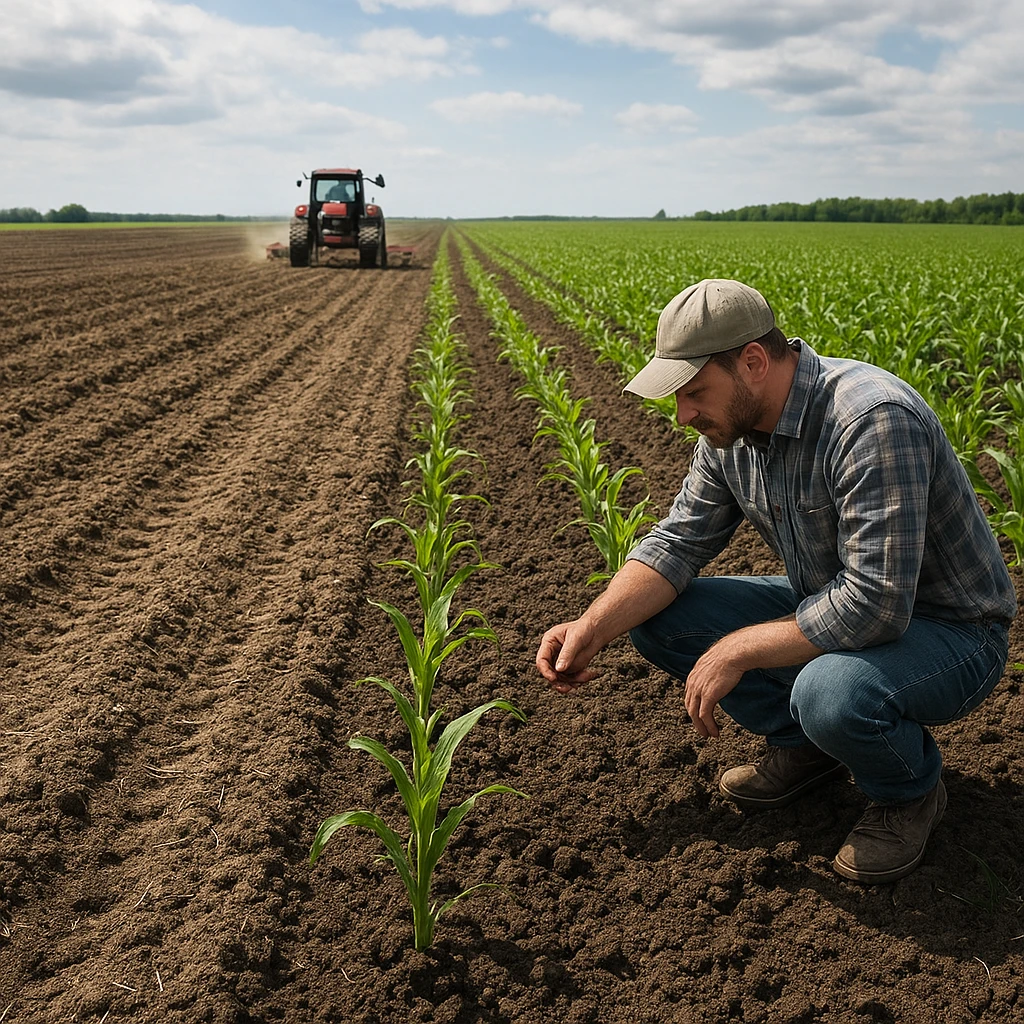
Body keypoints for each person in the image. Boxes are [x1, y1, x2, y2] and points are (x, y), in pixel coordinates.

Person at [536, 278, 1016, 885]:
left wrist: (736, 648)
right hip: (836, 601)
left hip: (950, 629)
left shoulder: (869, 419)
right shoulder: (730, 434)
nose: (684, 415)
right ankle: (809, 749)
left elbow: (874, 605)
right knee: (658, 617)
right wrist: (591, 627)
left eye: (693, 391)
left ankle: (909, 793)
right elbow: (678, 542)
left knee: (832, 692)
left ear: (754, 362)